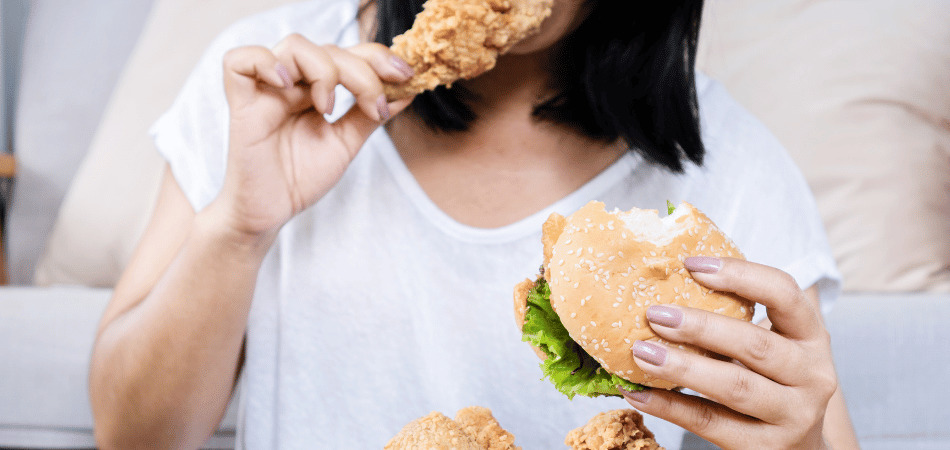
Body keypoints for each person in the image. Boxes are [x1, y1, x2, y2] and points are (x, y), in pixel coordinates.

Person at [88, 0, 859, 448]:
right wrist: (238, 227)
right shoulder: (269, 77)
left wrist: (802, 438)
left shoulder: (733, 167)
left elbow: (806, 424)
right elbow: (132, 436)